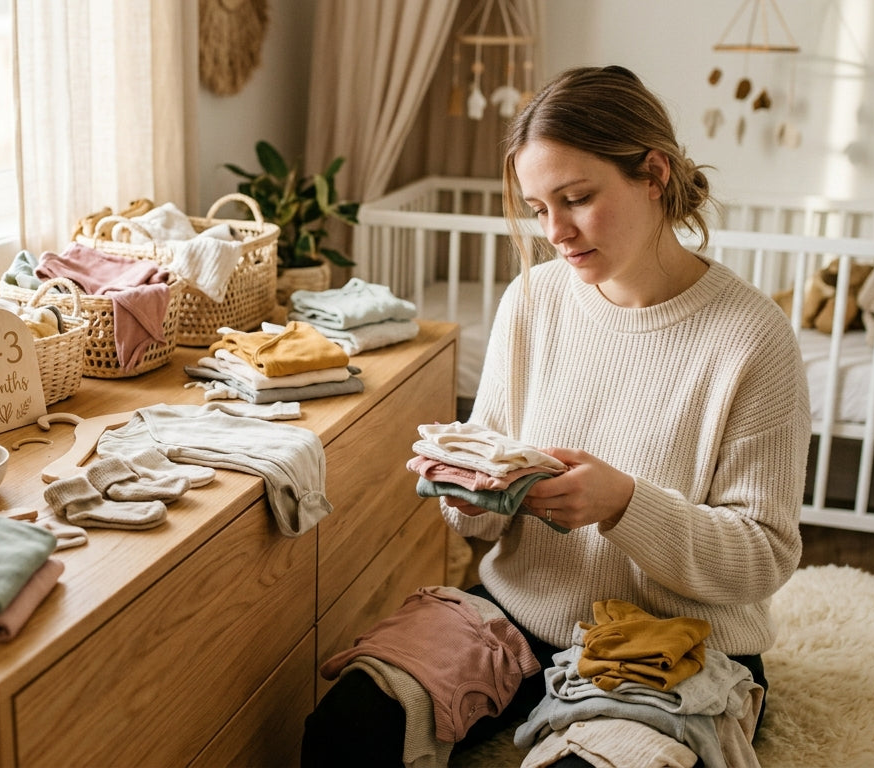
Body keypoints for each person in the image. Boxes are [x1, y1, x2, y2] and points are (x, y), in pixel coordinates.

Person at [301, 65, 809, 767]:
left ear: (654, 174)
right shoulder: (532, 300)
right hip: (519, 617)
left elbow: (764, 557)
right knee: (345, 731)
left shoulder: (753, 337)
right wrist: (472, 490)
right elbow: (479, 526)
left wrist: (625, 504)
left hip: (677, 644)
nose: (555, 233)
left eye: (576, 199)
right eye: (539, 209)